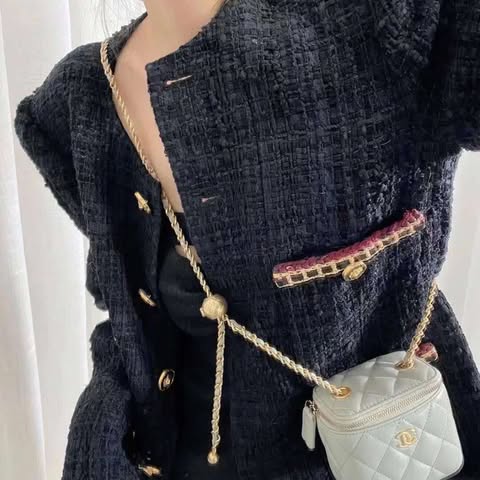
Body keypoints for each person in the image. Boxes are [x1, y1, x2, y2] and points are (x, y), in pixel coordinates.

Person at [14, 0, 480, 479]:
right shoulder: (84, 99)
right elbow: (131, 318)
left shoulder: (380, 23)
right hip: (177, 456)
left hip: (381, 446)